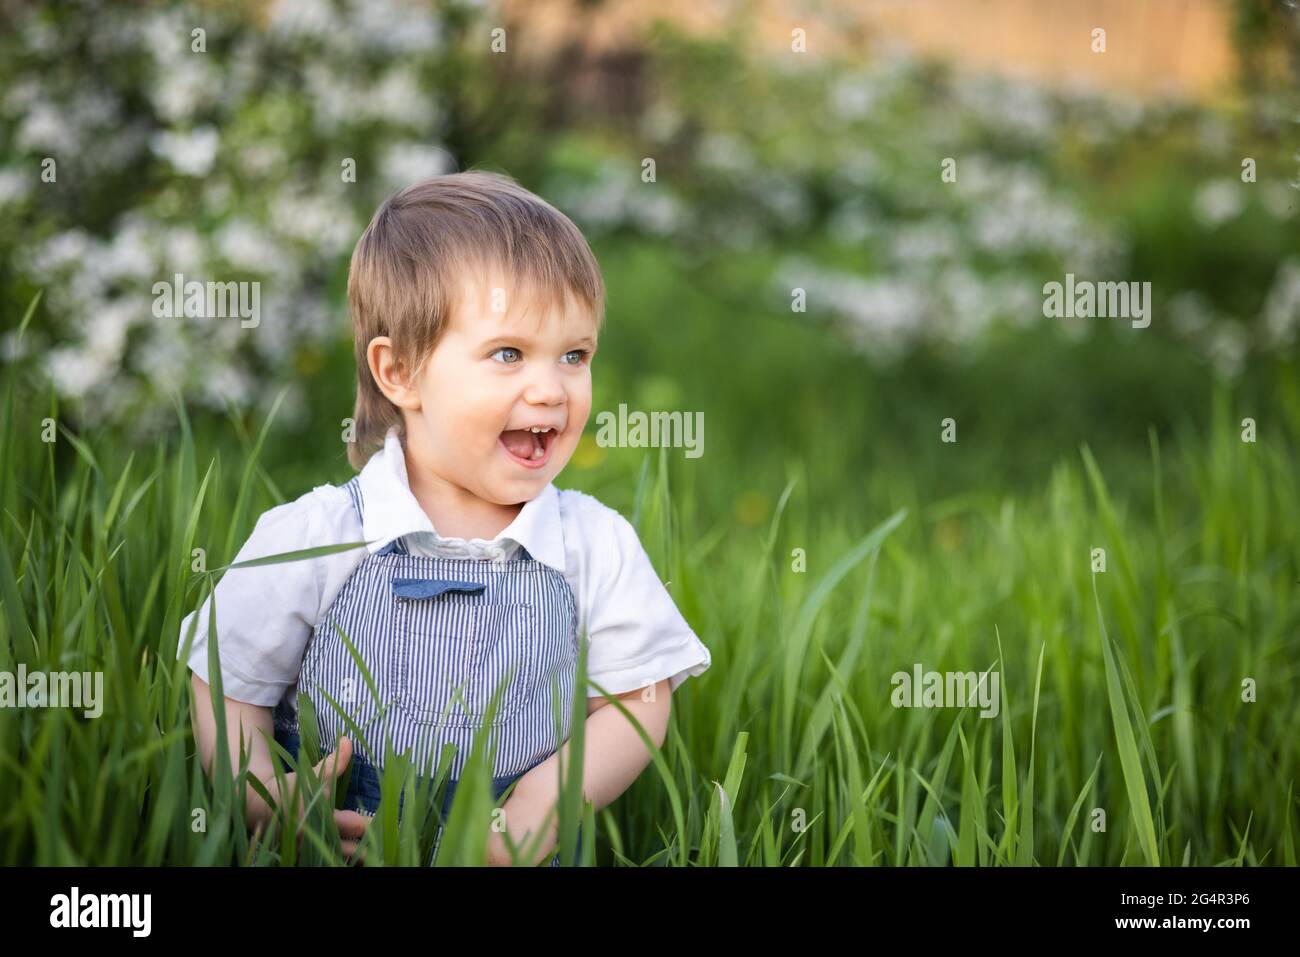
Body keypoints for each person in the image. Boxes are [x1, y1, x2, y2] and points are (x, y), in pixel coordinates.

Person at [181, 170, 711, 866]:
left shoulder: (591, 544)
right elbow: (225, 677)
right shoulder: (320, 535)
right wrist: (262, 795)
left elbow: (639, 697)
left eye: (574, 355)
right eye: (508, 353)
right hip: (334, 839)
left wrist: (539, 807)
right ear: (399, 371)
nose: (550, 388)